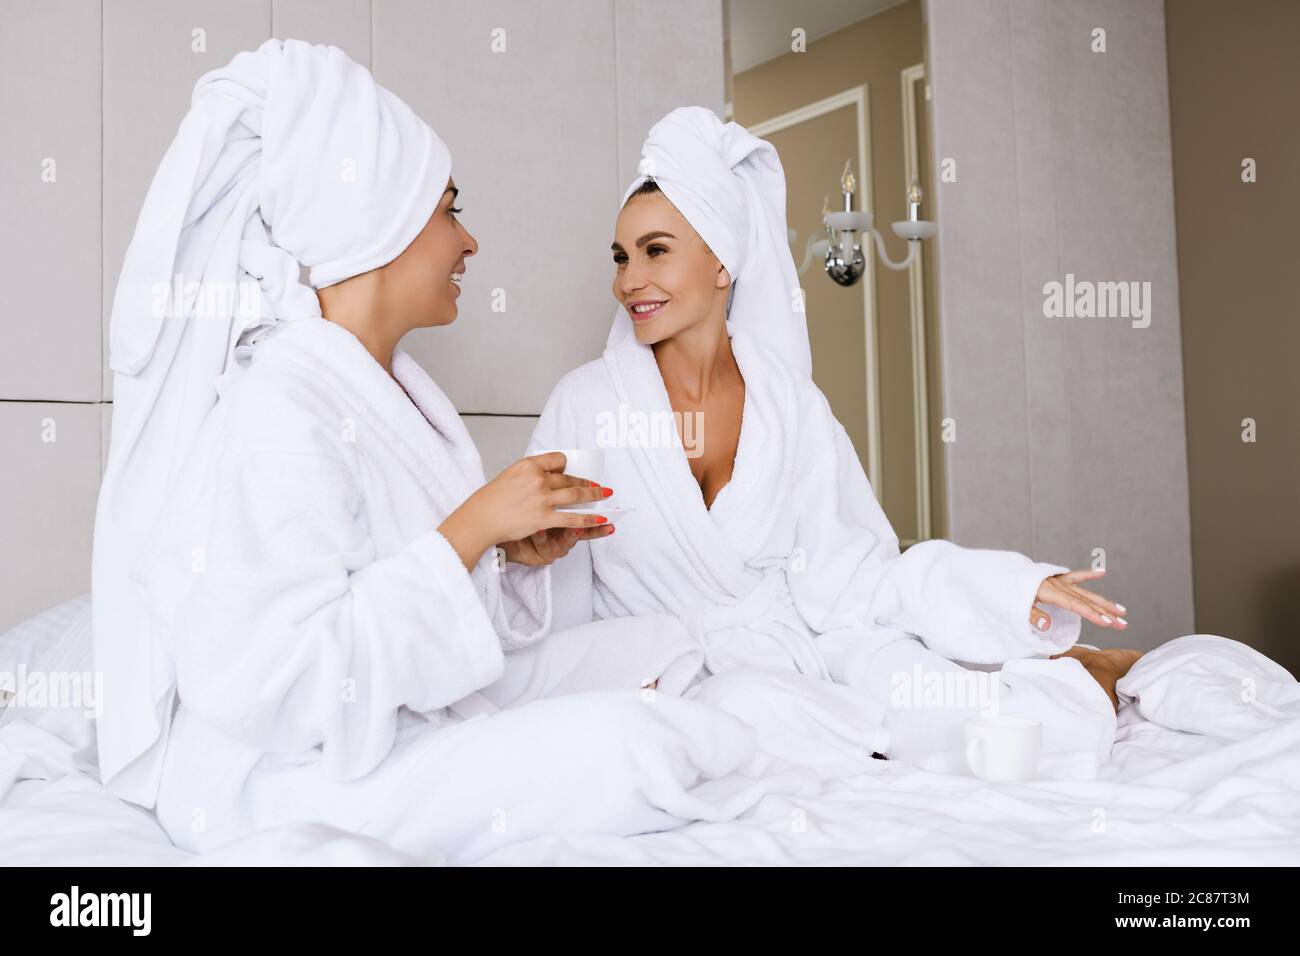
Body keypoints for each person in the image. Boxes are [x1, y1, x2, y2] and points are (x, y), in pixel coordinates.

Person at [91, 42, 779, 862]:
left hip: (389, 717)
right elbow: (275, 680)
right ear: (380, 219)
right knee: (632, 747)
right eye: (450, 209)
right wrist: (467, 531)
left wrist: (504, 553)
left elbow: (409, 593)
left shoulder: (393, 391)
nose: (470, 242)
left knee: (662, 645)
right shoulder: (281, 402)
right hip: (286, 768)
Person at [530, 107, 1142, 768]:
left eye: (656, 251)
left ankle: (1091, 673)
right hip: (664, 680)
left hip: (804, 652)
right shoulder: (587, 403)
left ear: (721, 263)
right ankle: (845, 737)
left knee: (967, 711)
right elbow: (550, 592)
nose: (629, 280)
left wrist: (1008, 588)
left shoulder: (792, 406)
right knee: (741, 707)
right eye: (622, 257)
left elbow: (854, 576)